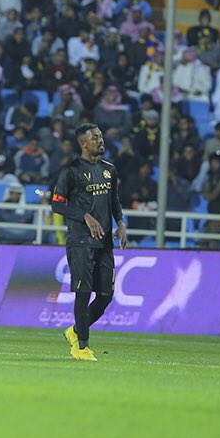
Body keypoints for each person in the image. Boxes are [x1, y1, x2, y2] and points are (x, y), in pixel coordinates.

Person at [50, 123, 127, 362]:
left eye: (101, 136)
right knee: (83, 292)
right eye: (95, 138)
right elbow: (57, 204)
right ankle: (81, 347)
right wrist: (84, 215)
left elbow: (114, 199)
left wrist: (121, 222)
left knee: (105, 295)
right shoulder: (70, 172)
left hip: (104, 242)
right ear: (84, 143)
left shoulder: (109, 170)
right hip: (80, 241)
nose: (100, 141)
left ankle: (74, 331)